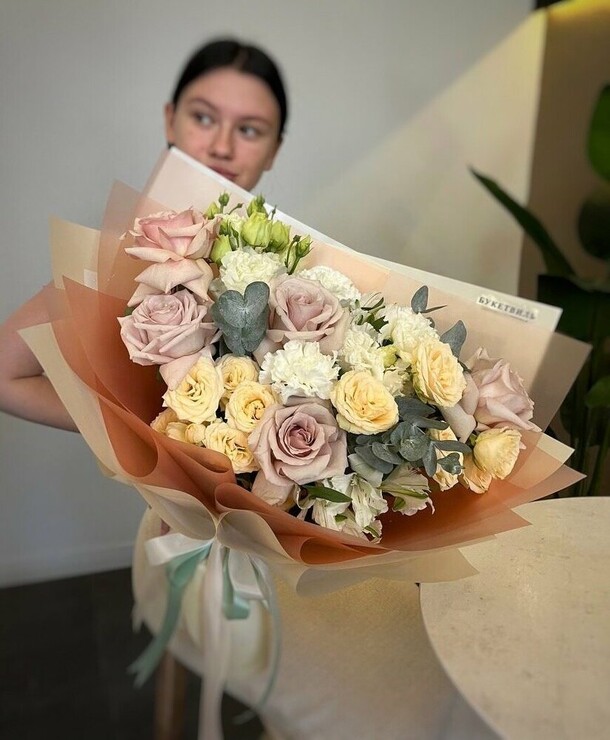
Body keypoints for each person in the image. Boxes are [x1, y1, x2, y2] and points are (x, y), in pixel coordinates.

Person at [0, 38, 288, 430]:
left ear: (274, 149)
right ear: (170, 120)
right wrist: (150, 434)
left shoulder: (294, 273)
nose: (222, 146)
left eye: (250, 130)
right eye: (203, 118)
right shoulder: (135, 255)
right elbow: (6, 375)